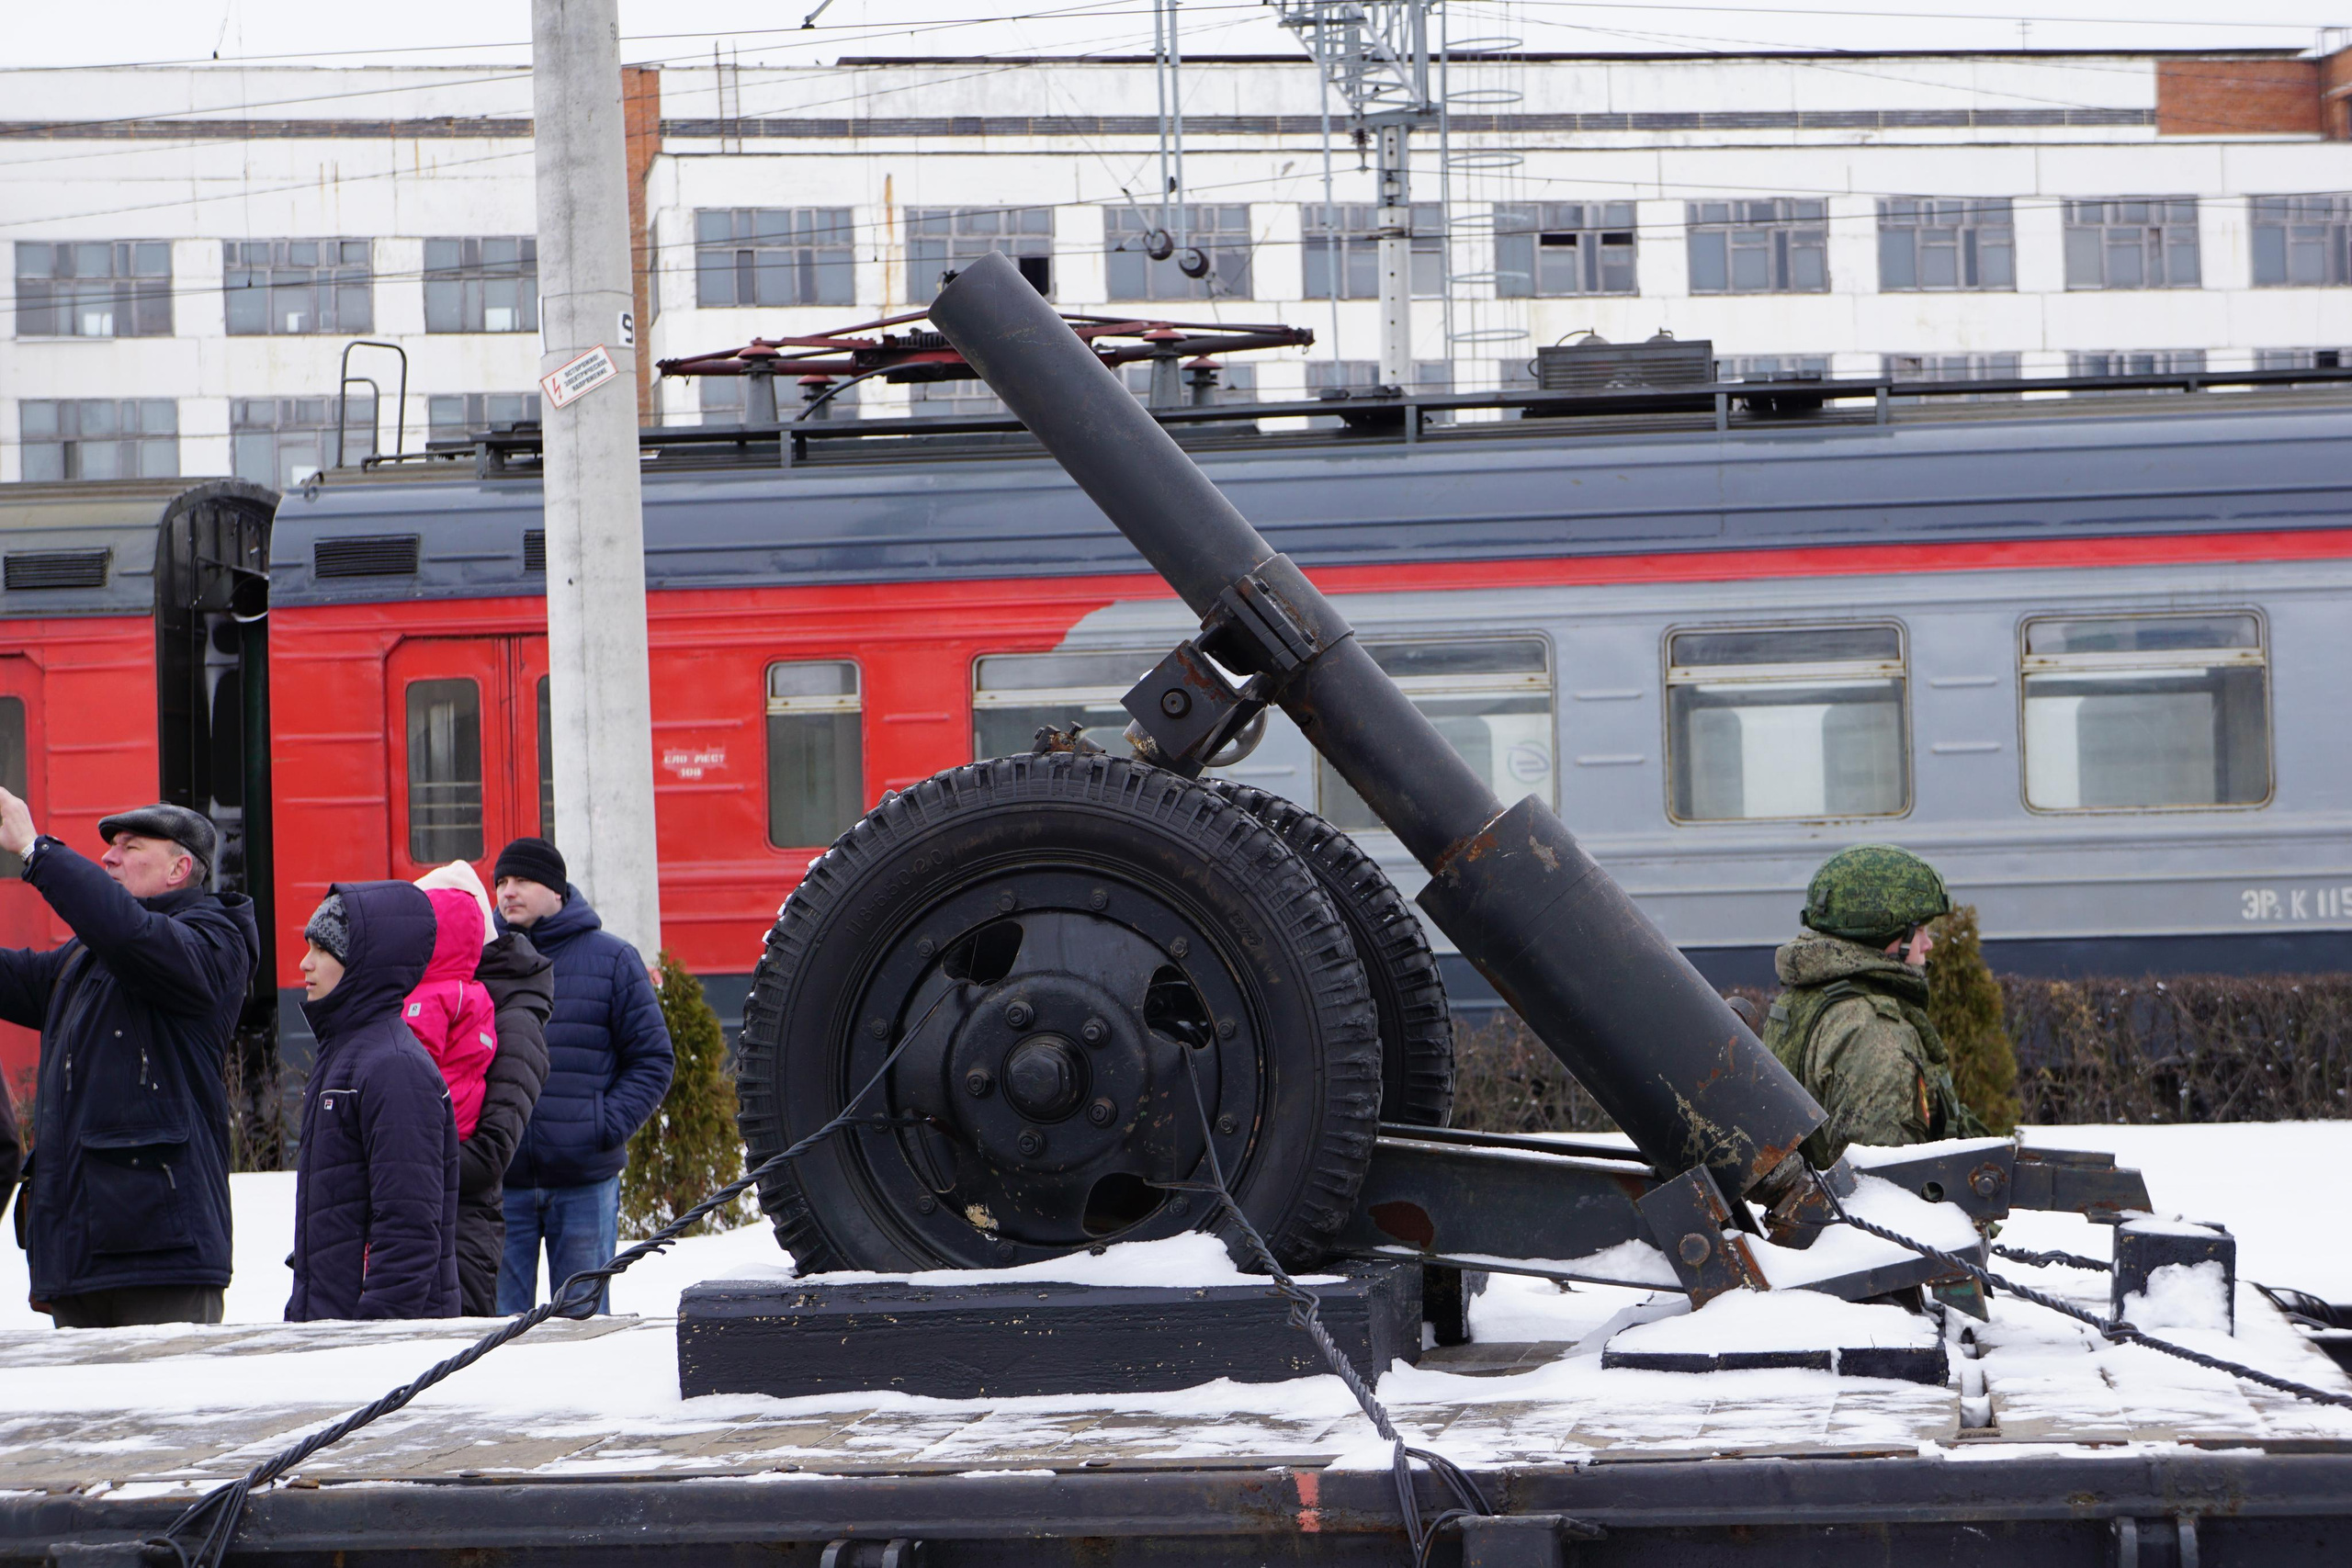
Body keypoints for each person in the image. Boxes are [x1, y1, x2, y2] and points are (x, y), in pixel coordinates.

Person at [0, 794, 256, 1329]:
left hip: (162, 1257)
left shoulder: (216, 941)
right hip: (78, 1259)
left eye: (129, 847)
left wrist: (34, 849)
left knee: (170, 1413)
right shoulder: (84, 958)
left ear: (179, 869)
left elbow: (130, 935)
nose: (109, 859)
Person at [490, 838, 672, 1316]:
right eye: (502, 882)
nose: (508, 892)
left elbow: (653, 1059)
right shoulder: (483, 963)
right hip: (502, 1184)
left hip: (584, 1182)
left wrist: (601, 1127)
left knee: (582, 1330)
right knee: (496, 1336)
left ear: (556, 890)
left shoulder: (612, 960)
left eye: (522, 880)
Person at [286, 883, 461, 1320]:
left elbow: (408, 1231)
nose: (305, 963)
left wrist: (372, 1335)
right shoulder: (347, 1055)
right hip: (340, 1329)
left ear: (363, 963)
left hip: (380, 1345)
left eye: (322, 950)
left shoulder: (393, 1068)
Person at [1764, 843, 1980, 1168]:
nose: (1928, 944)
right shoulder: (1874, 1030)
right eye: (1919, 930)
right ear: (1883, 933)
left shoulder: (1808, 997)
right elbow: (1883, 1183)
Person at [414, 860, 553, 1316]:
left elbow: (491, 1153)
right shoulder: (429, 1001)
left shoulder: (511, 1017)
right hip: (431, 1227)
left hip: (461, 1235)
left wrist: (394, 1162)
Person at [404, 884, 499, 1140]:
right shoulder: (474, 993)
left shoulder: (431, 996)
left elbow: (412, 1064)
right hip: (462, 1120)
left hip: (429, 1123)